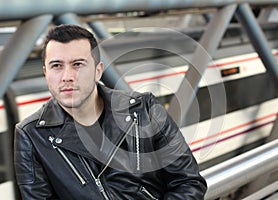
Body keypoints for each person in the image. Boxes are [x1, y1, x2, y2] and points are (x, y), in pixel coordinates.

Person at [14, 24, 207, 200]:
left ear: (98, 71)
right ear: (46, 73)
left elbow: (188, 182)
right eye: (56, 66)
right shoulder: (31, 135)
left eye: (78, 64)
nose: (67, 77)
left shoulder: (144, 109)